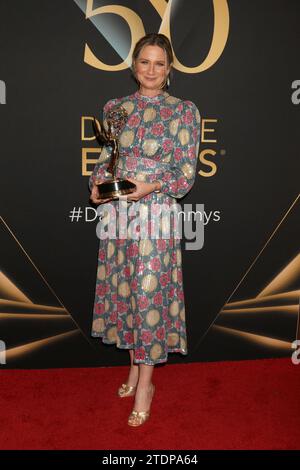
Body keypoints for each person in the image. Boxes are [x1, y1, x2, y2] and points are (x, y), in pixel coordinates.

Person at [89, 33, 201, 427]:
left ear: (169, 70)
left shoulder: (183, 112)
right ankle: (136, 369)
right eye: (144, 62)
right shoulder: (116, 108)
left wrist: (149, 186)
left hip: (155, 215)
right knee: (126, 291)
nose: (151, 70)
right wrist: (98, 185)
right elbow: (106, 158)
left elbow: (185, 174)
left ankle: (146, 385)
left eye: (159, 63)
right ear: (133, 65)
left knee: (149, 295)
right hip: (119, 215)